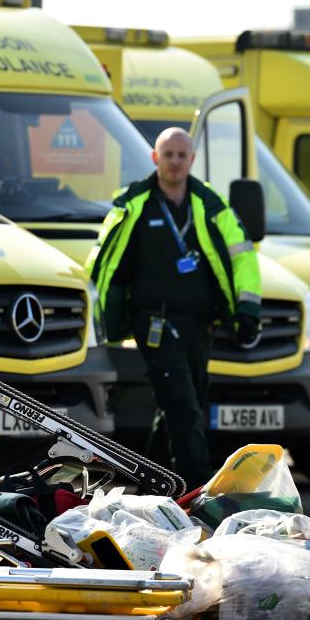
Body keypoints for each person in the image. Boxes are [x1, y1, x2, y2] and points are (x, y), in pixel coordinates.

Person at [86, 128, 261, 487]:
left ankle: (147, 485)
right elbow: (102, 262)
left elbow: (243, 257)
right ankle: (197, 487)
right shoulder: (135, 204)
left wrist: (247, 310)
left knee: (181, 403)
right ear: (155, 158)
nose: (175, 161)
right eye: (169, 154)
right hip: (154, 324)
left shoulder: (210, 204)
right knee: (183, 405)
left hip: (200, 324)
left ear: (192, 160)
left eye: (182, 155)